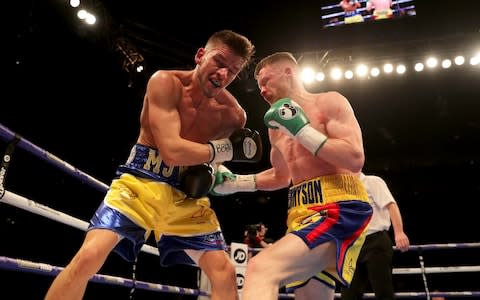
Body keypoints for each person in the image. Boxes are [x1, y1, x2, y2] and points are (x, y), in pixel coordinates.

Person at [44, 29, 260, 300]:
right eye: (219, 62)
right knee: (89, 257)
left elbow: (210, 160)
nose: (223, 74)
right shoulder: (165, 82)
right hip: (139, 182)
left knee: (225, 274)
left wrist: (216, 170)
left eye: (233, 71)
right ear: (200, 55)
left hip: (185, 196)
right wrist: (223, 150)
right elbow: (171, 151)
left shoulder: (233, 116)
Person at [211, 52, 373, 300]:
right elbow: (280, 177)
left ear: (288, 72)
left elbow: (354, 158)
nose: (262, 91)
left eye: (266, 81)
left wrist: (303, 131)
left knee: (260, 268)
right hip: (300, 214)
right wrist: (236, 182)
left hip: (338, 207)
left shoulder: (328, 102)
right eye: (259, 86)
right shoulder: (275, 127)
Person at [341, 172, 410, 300]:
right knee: (348, 295)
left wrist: (399, 232)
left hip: (375, 242)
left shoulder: (372, 181)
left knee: (383, 291)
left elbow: (391, 205)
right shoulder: (342, 190)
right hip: (352, 245)